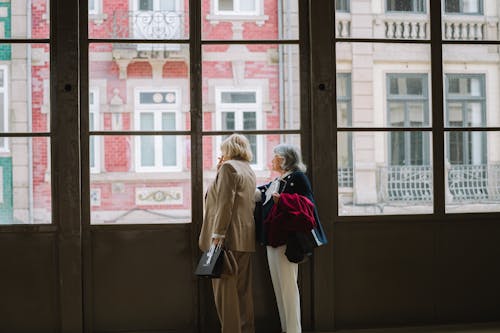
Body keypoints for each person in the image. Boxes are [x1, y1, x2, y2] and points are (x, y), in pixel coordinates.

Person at [256, 143, 327, 333]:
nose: (272, 160)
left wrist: (284, 200)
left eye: (275, 156)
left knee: (288, 288)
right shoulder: (279, 179)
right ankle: (287, 329)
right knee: (280, 289)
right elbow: (259, 195)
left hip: (287, 240)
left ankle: (294, 330)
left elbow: (308, 204)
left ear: (284, 159)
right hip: (273, 239)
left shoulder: (297, 178)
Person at [199, 134, 257, 333]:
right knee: (242, 292)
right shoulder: (248, 169)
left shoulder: (228, 167)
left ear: (228, 150)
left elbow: (225, 204)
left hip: (227, 240)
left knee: (225, 296)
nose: (220, 155)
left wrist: (218, 236)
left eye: (222, 150)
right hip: (245, 239)